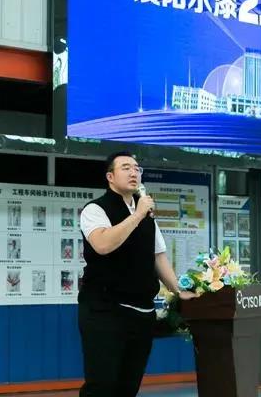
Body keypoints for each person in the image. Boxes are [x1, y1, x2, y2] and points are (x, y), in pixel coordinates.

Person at [78, 151, 195, 396]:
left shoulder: (146, 214)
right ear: (110, 176)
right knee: (102, 386)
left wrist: (178, 290)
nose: (134, 172)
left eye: (137, 168)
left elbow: (158, 256)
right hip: (105, 311)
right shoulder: (95, 209)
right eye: (126, 167)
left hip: (142, 314)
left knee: (128, 386)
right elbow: (103, 244)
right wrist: (138, 214)